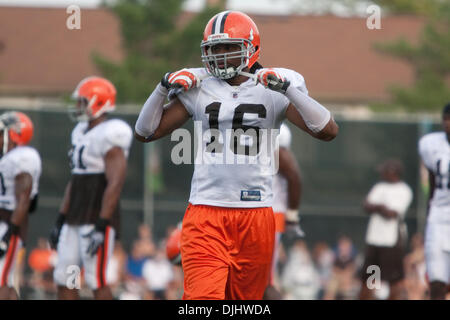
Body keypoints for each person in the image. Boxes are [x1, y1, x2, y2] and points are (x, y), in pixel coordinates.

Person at [135, 10, 338, 300]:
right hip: (206, 211)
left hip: (256, 215)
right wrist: (161, 88)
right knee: (202, 301)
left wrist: (289, 90)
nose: (220, 54)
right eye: (215, 48)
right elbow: (145, 132)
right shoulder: (199, 86)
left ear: (251, 48)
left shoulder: (273, 87)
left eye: (229, 47)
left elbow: (328, 130)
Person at [49, 76, 133, 300]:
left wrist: (102, 223)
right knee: (67, 277)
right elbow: (75, 180)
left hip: (96, 217)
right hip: (74, 217)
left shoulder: (111, 133)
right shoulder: (80, 132)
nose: (78, 107)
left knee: (97, 280)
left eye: (83, 102)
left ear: (98, 103)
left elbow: (115, 183)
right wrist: (60, 218)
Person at [0, 111, 41, 299]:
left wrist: (8, 234)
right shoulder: (7, 159)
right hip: (5, 224)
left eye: (2, 133)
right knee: (4, 282)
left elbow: (25, 201)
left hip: (8, 226)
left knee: (2, 281)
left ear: (14, 134)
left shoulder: (23, 156)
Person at [359, 159, 413, 300]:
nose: (381, 174)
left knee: (393, 279)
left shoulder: (404, 190)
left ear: (392, 172)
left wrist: (377, 207)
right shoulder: (379, 187)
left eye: (384, 171)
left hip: (391, 241)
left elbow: (392, 214)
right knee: (371, 276)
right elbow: (366, 205)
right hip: (374, 239)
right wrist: (381, 207)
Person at [265, 122, 304, 299]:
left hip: (269, 216)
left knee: (264, 281)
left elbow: (295, 177)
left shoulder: (277, 150)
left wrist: (292, 215)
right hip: (260, 215)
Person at [418, 102, 450, 300]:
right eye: (446, 119)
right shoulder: (430, 144)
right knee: (436, 280)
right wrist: (430, 214)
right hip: (439, 216)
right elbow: (432, 183)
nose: (448, 124)